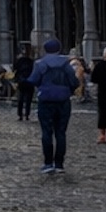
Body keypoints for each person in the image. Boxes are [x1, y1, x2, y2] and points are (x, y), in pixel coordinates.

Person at [28, 38, 81, 175]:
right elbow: (74, 81)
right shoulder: (66, 64)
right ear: (59, 48)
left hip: (45, 100)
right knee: (61, 132)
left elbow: (33, 80)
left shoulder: (40, 64)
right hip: (63, 100)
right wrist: (67, 90)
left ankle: (48, 163)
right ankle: (59, 164)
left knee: (46, 132)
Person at [12, 48, 36, 122]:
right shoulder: (32, 62)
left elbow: (14, 69)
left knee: (20, 99)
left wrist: (16, 79)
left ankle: (20, 115)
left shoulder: (19, 61)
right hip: (30, 82)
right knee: (28, 100)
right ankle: (27, 115)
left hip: (21, 82)